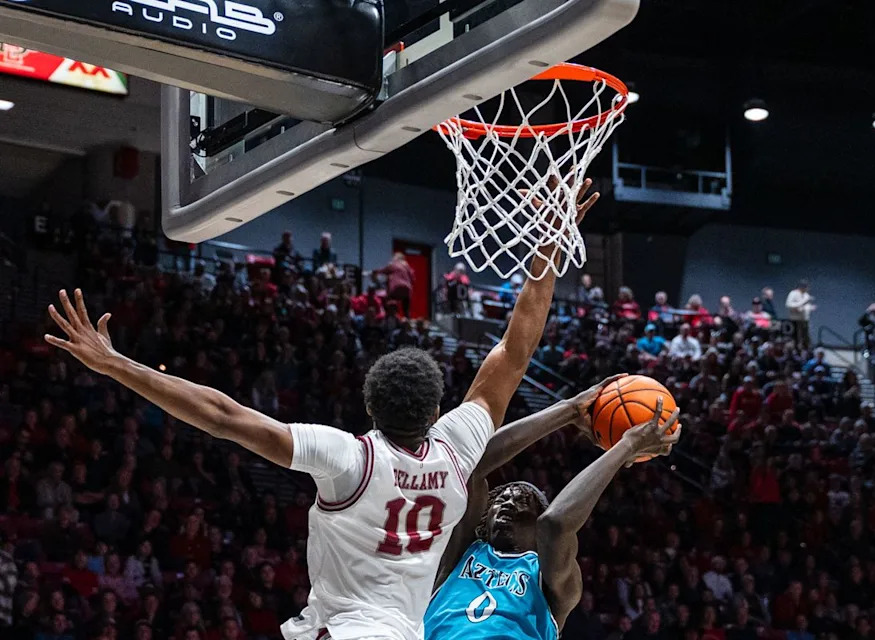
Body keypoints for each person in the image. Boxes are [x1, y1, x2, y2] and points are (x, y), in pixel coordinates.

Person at [44, 179, 599, 640]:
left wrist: (119, 365)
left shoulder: (347, 459)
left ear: (368, 405)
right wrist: (551, 241)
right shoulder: (456, 449)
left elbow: (223, 416)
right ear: (435, 409)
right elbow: (515, 349)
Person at [424, 379, 680, 640]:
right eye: (499, 500)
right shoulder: (460, 553)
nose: (507, 502)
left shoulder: (551, 578)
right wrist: (568, 410)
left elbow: (555, 523)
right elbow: (473, 467)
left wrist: (626, 446)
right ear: (483, 520)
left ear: (537, 527)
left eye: (524, 503)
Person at [374, 252, 416, 318]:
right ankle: (407, 318)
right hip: (407, 289)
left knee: (387, 301)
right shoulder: (407, 266)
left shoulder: (394, 264)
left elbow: (383, 270)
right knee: (406, 306)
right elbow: (413, 279)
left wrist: (375, 272)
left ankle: (388, 317)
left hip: (396, 288)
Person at [785, 281, 815, 349]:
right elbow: (789, 304)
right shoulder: (793, 293)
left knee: (806, 338)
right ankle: (796, 351)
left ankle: (806, 351)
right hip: (795, 320)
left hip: (804, 320)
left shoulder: (806, 295)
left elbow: (806, 306)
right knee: (796, 338)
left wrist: (809, 308)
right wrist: (802, 304)